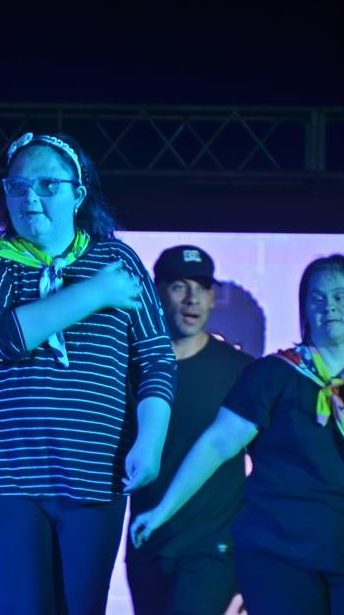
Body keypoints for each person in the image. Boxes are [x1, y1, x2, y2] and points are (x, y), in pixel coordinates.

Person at [131, 254, 344, 615]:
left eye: (340, 296)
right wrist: (162, 511)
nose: (328, 306)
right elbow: (217, 444)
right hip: (277, 558)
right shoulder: (272, 375)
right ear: (305, 309)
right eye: (317, 298)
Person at [0, 132, 176, 615]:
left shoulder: (116, 261)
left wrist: (151, 440)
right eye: (18, 187)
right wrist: (94, 294)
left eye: (48, 186)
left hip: (93, 471)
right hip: (2, 474)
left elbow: (155, 357)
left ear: (78, 194)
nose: (31, 198)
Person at [126, 244, 254, 615]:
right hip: (147, 540)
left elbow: (273, 462)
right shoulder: (132, 367)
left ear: (213, 298)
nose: (191, 298)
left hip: (212, 546)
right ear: (156, 292)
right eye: (179, 286)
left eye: (201, 287)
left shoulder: (241, 370)